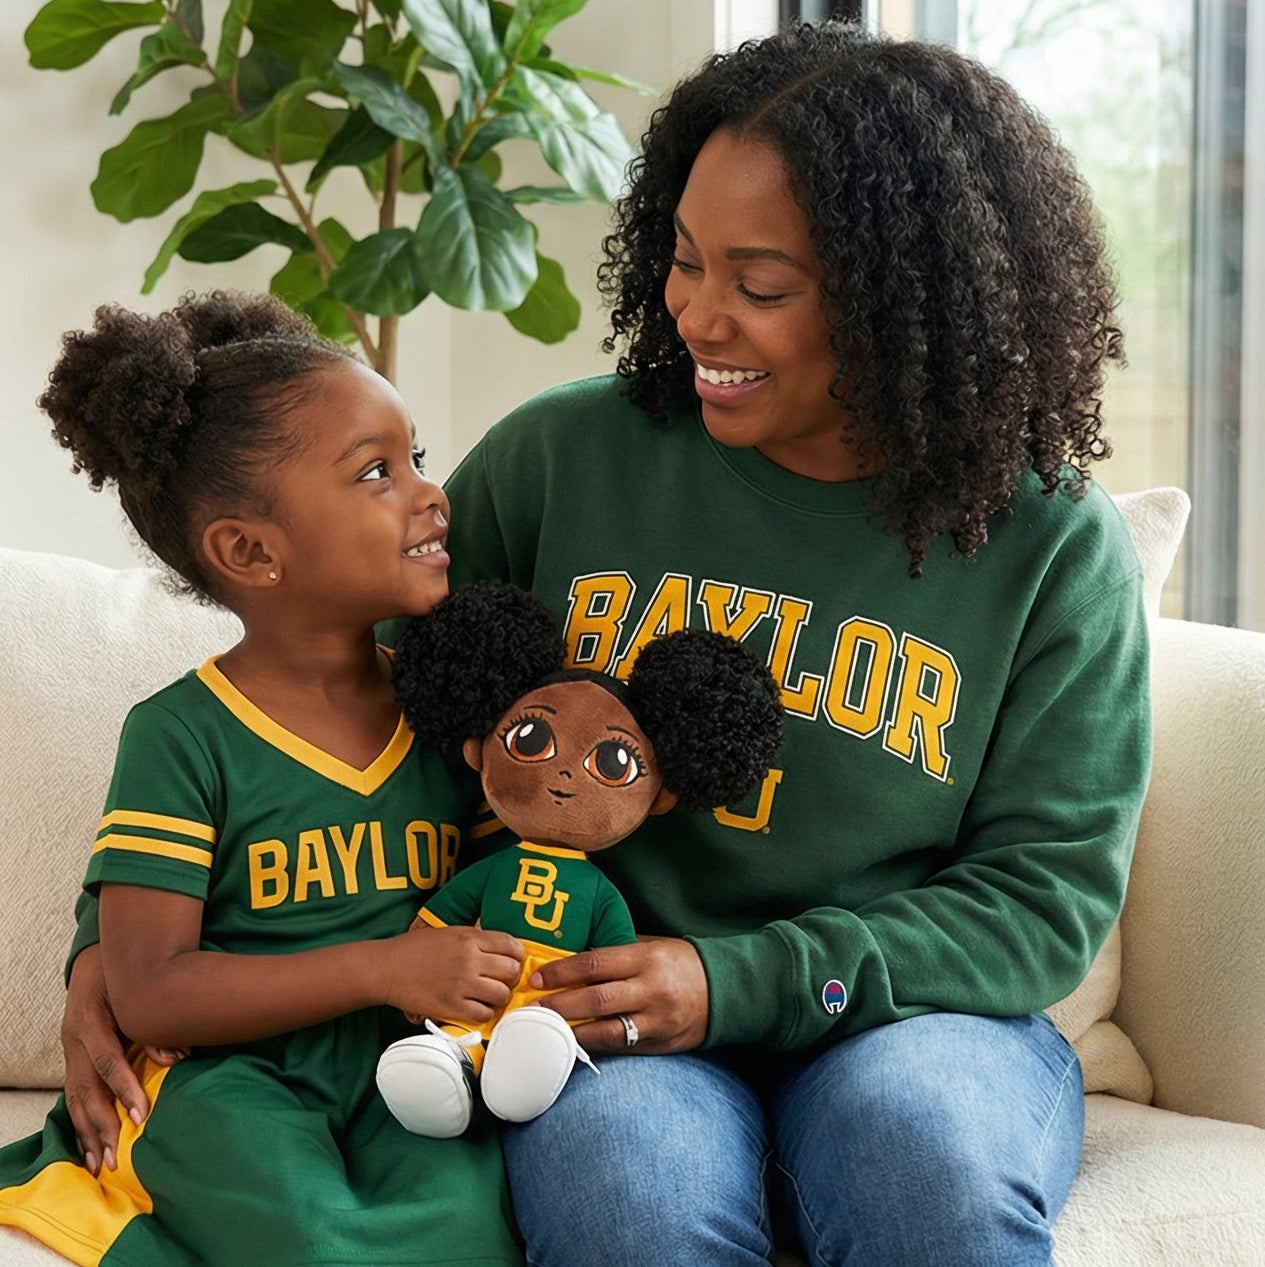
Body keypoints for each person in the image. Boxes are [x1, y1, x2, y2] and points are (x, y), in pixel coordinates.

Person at [55, 19, 1150, 1267]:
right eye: (683, 260)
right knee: (627, 1192)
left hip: (915, 1022)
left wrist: (737, 981)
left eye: (761, 284)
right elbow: (333, 687)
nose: (696, 314)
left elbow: (1041, 900)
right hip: (586, 1006)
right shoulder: (562, 458)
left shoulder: (1047, 543)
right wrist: (119, 944)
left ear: (909, 299)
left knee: (921, 1163)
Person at [0, 292, 526, 1267]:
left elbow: (506, 893)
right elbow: (152, 991)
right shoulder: (180, 736)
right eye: (377, 472)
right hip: (226, 1077)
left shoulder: (446, 717)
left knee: (473, 1222)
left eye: (418, 455)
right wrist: (383, 967)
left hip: (396, 1072)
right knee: (304, 1230)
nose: (430, 493)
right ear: (248, 551)